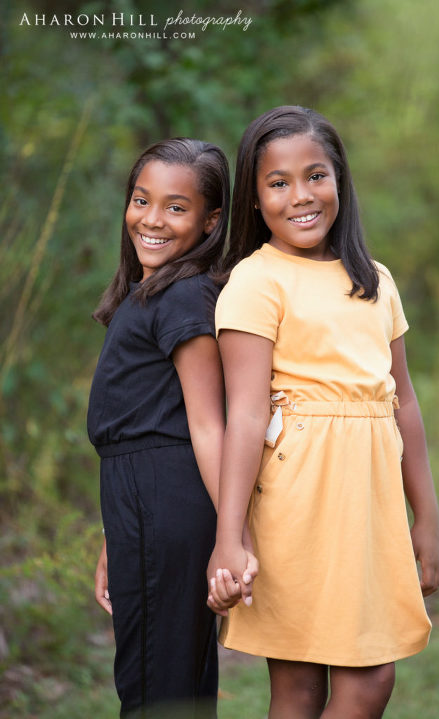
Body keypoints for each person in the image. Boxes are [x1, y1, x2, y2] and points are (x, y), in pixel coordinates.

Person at [207, 106, 439, 719]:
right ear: (254, 198)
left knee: (370, 677)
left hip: (369, 504)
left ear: (339, 178)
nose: (301, 196)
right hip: (298, 501)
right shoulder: (256, 282)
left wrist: (426, 517)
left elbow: (403, 401)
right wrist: (229, 538)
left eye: (315, 175)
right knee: (302, 686)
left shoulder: (376, 281)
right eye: (278, 182)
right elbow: (245, 417)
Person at [87, 138, 254, 719]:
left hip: (165, 499)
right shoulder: (151, 293)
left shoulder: (183, 296)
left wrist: (233, 537)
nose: (152, 219)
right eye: (141, 200)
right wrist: (115, 538)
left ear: (211, 220)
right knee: (168, 683)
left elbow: (207, 427)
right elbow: (148, 425)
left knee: (158, 687)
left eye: (176, 207)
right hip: (141, 500)